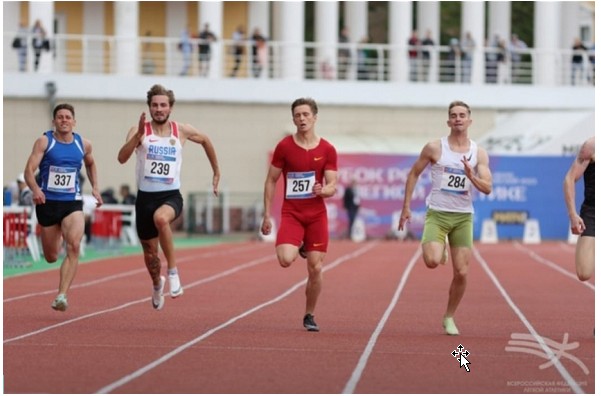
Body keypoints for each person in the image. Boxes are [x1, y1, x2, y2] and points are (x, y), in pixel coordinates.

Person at [117, 84, 220, 310]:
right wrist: (137, 138)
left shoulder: (181, 130)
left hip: (170, 196)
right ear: (149, 107)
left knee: (162, 219)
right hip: (145, 199)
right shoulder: (138, 129)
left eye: (163, 105)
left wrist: (216, 172)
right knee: (151, 256)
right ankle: (157, 283)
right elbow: (121, 158)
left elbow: (206, 141)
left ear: (170, 108)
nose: (159, 109)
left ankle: (173, 272)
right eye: (155, 105)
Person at [398, 100, 492, 336]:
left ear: (470, 120)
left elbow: (488, 187)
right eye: (454, 115)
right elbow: (413, 174)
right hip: (438, 214)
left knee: (461, 272)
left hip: (462, 218)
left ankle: (449, 316)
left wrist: (472, 177)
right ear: (448, 121)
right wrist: (406, 207)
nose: (458, 118)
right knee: (431, 261)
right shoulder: (434, 148)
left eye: (462, 115)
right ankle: (441, 248)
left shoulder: (478, 153)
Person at [261, 98, 338, 332]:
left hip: (316, 215)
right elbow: (271, 180)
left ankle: (309, 314)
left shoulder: (327, 149)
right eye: (297, 115)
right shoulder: (284, 147)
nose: (302, 119)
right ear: (293, 119)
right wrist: (266, 215)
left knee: (315, 267)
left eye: (306, 114)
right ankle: (300, 246)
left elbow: (333, 183)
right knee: (285, 259)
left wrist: (324, 190)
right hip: (292, 213)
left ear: (315, 117)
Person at [23, 103, 103, 311]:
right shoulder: (44, 142)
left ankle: (62, 295)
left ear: (74, 122)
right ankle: (56, 234)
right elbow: (29, 171)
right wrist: (35, 189)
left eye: (68, 117)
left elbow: (91, 163)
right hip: (47, 202)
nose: (64, 120)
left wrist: (95, 187)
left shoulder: (83, 144)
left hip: (72, 202)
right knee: (51, 256)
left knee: (74, 246)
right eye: (60, 117)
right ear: (54, 121)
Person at [563, 136, 594, 282]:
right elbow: (569, 179)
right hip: (593, 211)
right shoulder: (592, 146)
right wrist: (572, 214)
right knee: (584, 272)